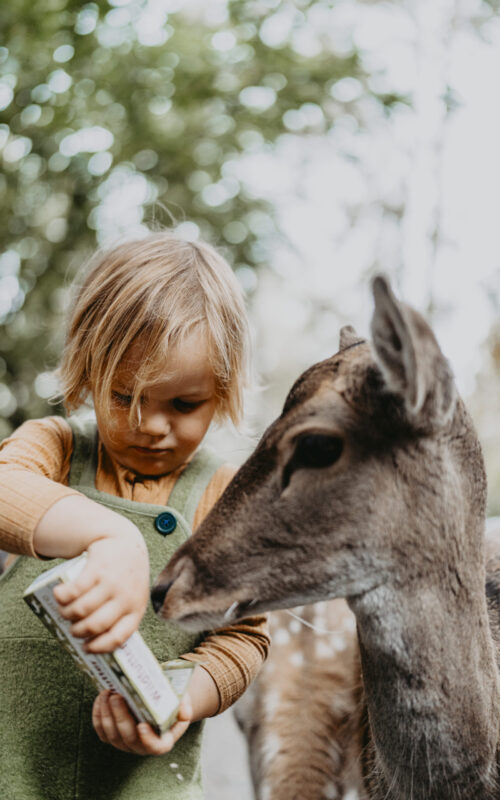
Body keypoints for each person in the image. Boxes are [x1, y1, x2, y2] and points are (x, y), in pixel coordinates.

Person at [0, 232, 269, 800]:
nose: (149, 424)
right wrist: (110, 534)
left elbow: (243, 636)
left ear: (222, 392)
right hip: (15, 770)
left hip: (144, 783)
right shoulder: (56, 449)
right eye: (124, 397)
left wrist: (180, 697)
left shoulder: (220, 494)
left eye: (183, 404)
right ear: (88, 373)